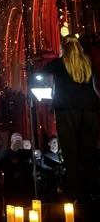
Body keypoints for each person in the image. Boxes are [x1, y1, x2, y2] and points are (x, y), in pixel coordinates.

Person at [44, 34, 100, 203]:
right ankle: (92, 192)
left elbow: (45, 67)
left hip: (67, 111)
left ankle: (77, 195)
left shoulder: (59, 65)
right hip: (90, 110)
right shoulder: (87, 62)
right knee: (89, 152)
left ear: (64, 49)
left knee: (71, 152)